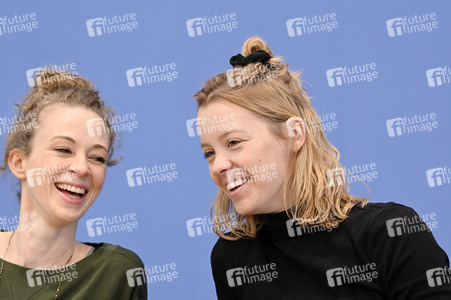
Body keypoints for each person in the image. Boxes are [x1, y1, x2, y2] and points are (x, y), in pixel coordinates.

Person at [193, 36, 451, 299]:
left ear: (295, 134)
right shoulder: (231, 258)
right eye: (209, 153)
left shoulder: (390, 233)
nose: (219, 166)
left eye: (234, 142)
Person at [0, 70, 147, 299]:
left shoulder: (118, 273)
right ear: (19, 162)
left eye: (97, 157)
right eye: (63, 150)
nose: (82, 168)